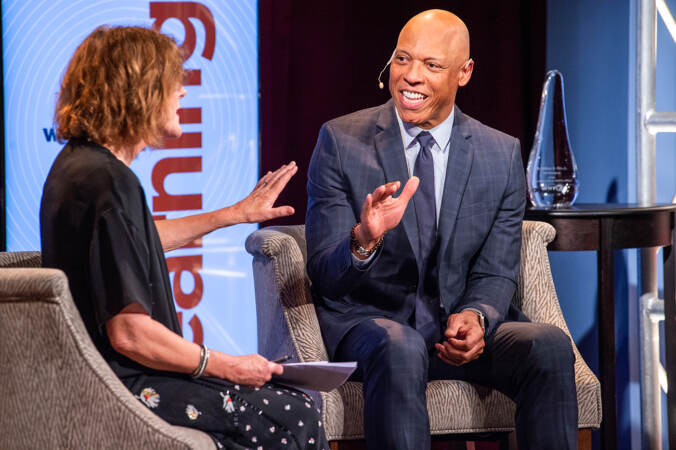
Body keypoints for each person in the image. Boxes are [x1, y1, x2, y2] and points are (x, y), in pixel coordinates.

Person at [40, 26, 328, 450]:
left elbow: (132, 242)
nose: (181, 95)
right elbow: (130, 333)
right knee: (294, 414)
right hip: (124, 386)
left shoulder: (80, 169)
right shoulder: (108, 182)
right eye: (173, 84)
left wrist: (233, 215)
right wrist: (226, 365)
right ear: (139, 88)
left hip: (96, 378)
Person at [305, 9, 577, 450]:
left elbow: (496, 271)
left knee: (546, 345)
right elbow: (324, 274)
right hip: (375, 326)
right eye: (402, 59)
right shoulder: (341, 141)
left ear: (464, 72)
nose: (411, 77)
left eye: (432, 66)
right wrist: (364, 239)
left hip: (453, 329)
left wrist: (478, 318)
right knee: (400, 345)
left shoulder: (500, 153)